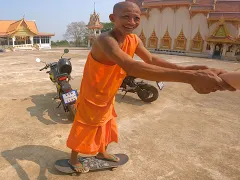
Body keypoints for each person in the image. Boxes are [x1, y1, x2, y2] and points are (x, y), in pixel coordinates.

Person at [66, 1, 236, 173]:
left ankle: (102, 152)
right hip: (93, 93)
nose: (131, 22)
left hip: (109, 92)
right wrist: (190, 77)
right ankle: (73, 159)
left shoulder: (133, 39)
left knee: (107, 123)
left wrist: (187, 69)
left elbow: (151, 60)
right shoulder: (105, 40)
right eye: (126, 17)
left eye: (136, 18)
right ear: (113, 18)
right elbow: (132, 67)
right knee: (86, 125)